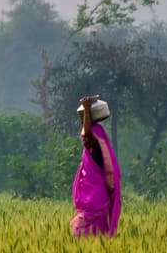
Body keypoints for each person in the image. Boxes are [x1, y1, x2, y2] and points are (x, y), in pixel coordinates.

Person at [71, 95, 122, 237]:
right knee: (96, 233)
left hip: (95, 198)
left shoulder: (94, 147)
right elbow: (87, 133)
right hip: (96, 197)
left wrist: (87, 110)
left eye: (86, 138)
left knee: (87, 234)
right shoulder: (96, 146)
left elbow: (87, 133)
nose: (84, 139)